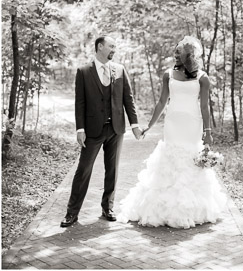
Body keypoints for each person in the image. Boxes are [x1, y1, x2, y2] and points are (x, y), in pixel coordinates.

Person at [118, 36, 227, 228]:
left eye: (179, 52)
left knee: (189, 160)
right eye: (175, 52)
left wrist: (208, 131)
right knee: (170, 159)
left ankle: (191, 208)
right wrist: (149, 126)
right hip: (173, 123)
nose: (175, 55)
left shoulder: (203, 78)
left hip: (192, 125)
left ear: (189, 55)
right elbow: (161, 102)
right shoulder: (168, 74)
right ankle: (162, 208)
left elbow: (204, 107)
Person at [62, 36, 142, 227]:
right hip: (92, 130)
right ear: (100, 47)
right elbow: (79, 102)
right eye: (111, 46)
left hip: (116, 129)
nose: (114, 49)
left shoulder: (120, 69)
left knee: (112, 170)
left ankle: (107, 208)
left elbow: (128, 100)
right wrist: (80, 129)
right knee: (83, 170)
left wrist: (135, 125)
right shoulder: (83, 72)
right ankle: (72, 213)